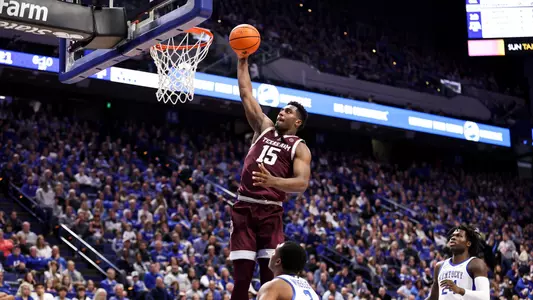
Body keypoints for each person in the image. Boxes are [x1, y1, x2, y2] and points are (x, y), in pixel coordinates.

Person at [230, 56, 312, 300]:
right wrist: (242, 60)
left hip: (271, 212)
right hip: (244, 207)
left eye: (288, 111)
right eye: (282, 109)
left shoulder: (299, 147)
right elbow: (246, 93)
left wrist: (273, 181)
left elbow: (301, 183)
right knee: (242, 280)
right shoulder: (263, 127)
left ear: (297, 121)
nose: (281, 112)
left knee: (270, 280)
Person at [426, 225, 490, 300]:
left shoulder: (476, 264)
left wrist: (459, 290)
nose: (453, 238)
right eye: (452, 236)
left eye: (459, 236)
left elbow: (485, 297)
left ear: (468, 243)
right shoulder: (439, 266)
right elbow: (433, 298)